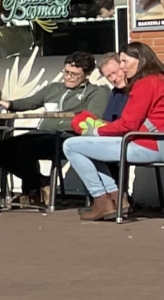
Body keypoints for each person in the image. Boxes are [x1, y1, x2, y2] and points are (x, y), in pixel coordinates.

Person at [0, 51, 108, 207]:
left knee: (25, 148)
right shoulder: (54, 88)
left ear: (87, 75)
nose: (68, 77)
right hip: (42, 133)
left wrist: (64, 121)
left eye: (74, 74)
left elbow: (93, 118)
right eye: (66, 72)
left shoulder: (95, 92)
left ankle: (33, 191)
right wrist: (9, 104)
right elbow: (31, 102)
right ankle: (40, 182)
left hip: (69, 136)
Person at [62, 44, 164, 220]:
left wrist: (95, 131)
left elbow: (127, 125)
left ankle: (101, 199)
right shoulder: (159, 78)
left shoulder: (145, 84)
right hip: (153, 141)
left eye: (124, 61)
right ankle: (116, 198)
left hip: (148, 145)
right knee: (90, 149)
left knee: (71, 146)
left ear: (140, 59)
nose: (122, 67)